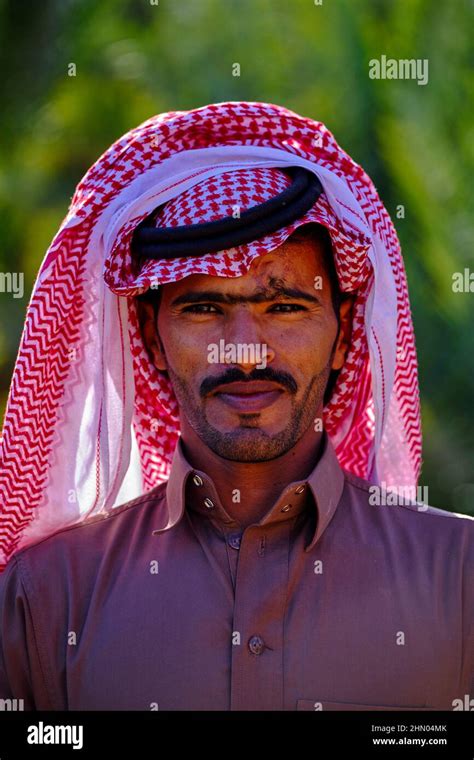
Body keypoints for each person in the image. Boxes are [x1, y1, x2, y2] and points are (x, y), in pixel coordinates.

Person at [0, 101, 472, 711]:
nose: (246, 350)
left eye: (286, 307)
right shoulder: (46, 599)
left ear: (344, 333)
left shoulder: (458, 579)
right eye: (204, 308)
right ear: (151, 337)